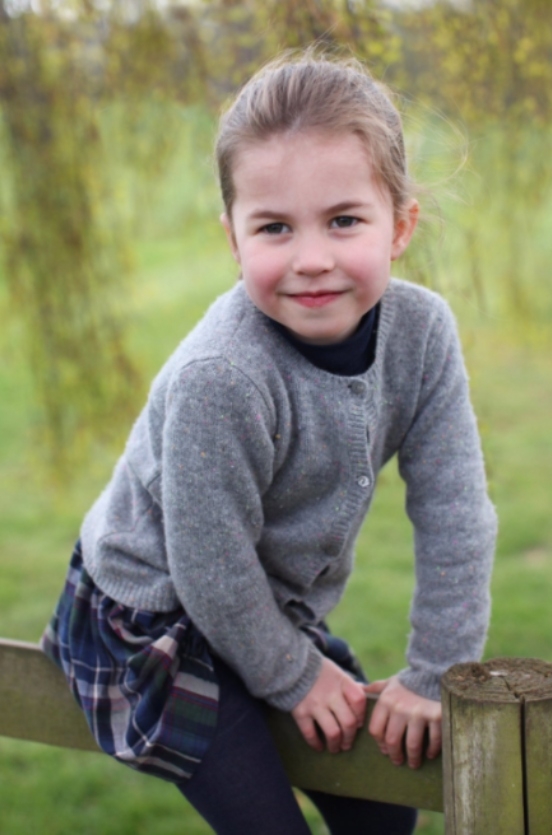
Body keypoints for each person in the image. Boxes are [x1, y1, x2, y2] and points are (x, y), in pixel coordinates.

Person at [41, 51, 497, 835]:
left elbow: (456, 511)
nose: (311, 258)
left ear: (401, 225)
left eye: (345, 219)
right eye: (275, 227)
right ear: (233, 237)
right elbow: (208, 563)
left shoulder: (422, 336)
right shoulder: (223, 376)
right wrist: (293, 674)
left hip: (262, 602)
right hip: (150, 616)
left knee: (386, 810)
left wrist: (432, 674)